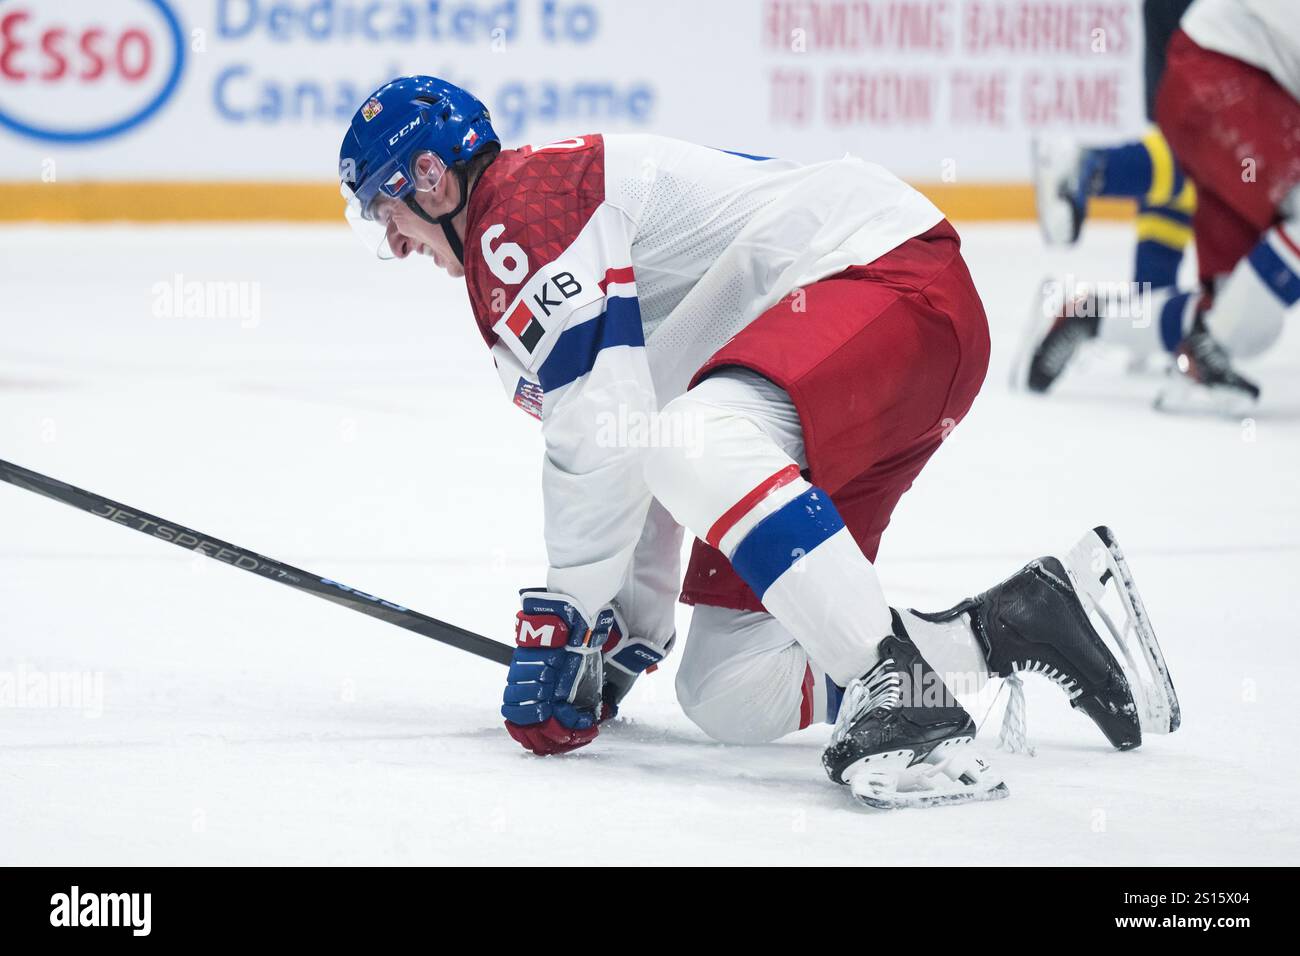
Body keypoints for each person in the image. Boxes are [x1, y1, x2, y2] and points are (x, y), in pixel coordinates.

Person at [337, 76, 1179, 808]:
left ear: (432, 178)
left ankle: (906, 705)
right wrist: (624, 630)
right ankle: (1019, 623)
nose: (392, 239)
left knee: (692, 441)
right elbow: (632, 428)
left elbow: (606, 432)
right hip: (845, 359)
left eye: (388, 208)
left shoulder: (523, 210)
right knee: (730, 689)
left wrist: (566, 618)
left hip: (888, 281)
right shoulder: (523, 231)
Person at [1022, 0, 1299, 412]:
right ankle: (1090, 167)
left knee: (1244, 315)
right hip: (1224, 76)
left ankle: (1085, 318)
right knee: (1233, 319)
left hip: (1217, 82)